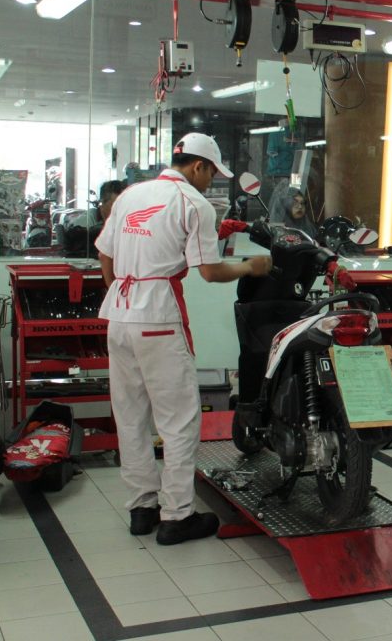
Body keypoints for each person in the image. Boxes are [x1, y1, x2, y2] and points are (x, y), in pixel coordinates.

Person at [95, 132, 272, 544]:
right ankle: (177, 516)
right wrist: (251, 267)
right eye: (211, 174)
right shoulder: (193, 202)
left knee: (131, 416)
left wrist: (123, 295)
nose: (211, 182)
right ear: (198, 166)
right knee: (178, 421)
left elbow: (106, 253)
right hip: (159, 317)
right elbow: (210, 272)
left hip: (118, 315)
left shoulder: (131, 195)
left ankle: (142, 508)